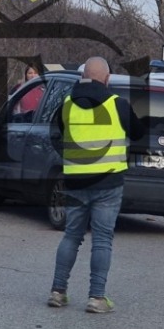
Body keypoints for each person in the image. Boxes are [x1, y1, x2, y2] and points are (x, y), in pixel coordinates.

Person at [47, 57, 143, 313]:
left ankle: (58, 292)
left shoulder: (66, 105)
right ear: (107, 79)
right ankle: (96, 297)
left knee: (71, 236)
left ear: (82, 77)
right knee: (102, 240)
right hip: (108, 182)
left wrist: (71, 158)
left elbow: (55, 135)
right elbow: (138, 133)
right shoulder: (118, 105)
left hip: (75, 180)